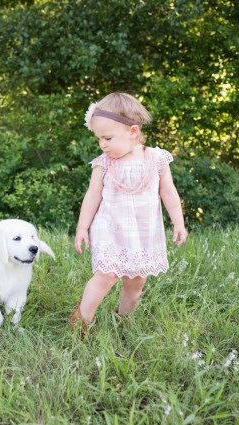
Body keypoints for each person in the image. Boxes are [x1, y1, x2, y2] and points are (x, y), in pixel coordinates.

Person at [71, 92, 188, 329]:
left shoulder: (156, 159)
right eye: (98, 139)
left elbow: (168, 192)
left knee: (136, 282)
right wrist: (83, 227)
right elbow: (92, 195)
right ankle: (82, 319)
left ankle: (123, 320)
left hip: (143, 231)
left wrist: (178, 222)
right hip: (110, 227)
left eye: (107, 138)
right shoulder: (103, 163)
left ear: (133, 132)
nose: (102, 144)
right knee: (106, 275)